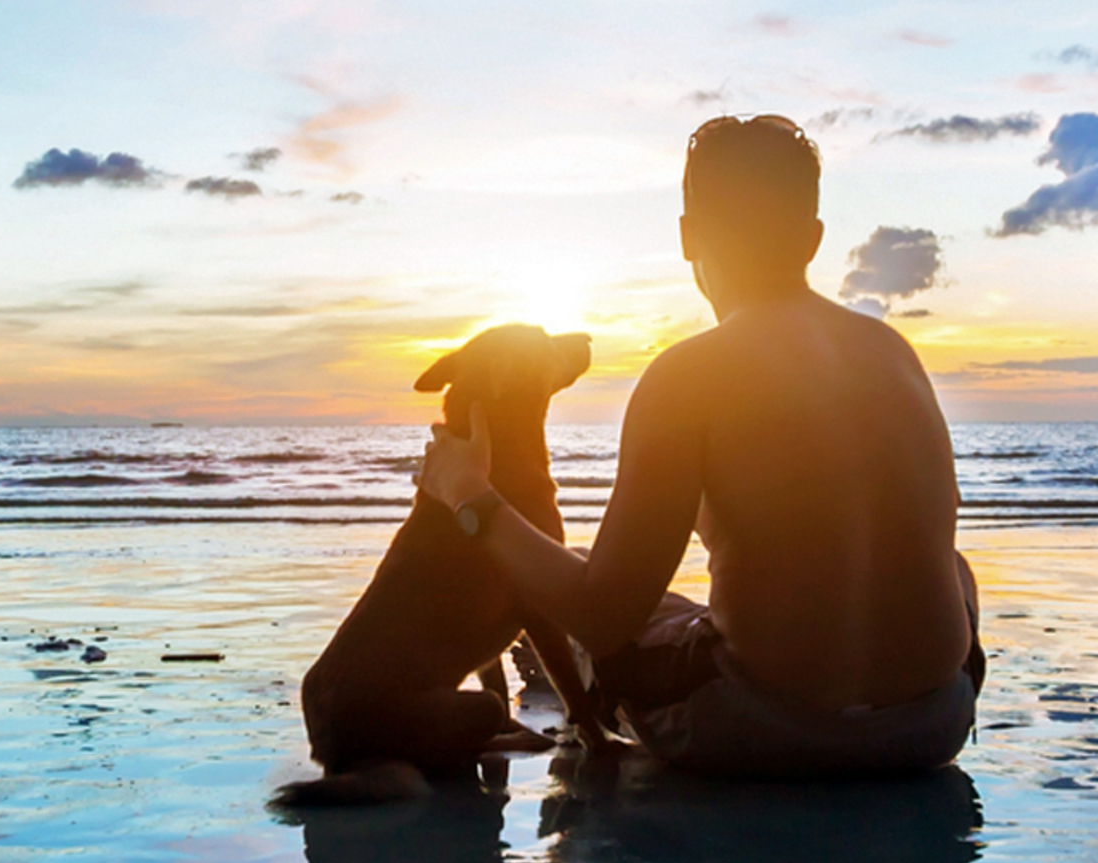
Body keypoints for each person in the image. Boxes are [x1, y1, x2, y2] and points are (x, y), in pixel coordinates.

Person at [418, 114, 983, 777]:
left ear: (689, 239)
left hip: (760, 731)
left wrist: (470, 496)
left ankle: (572, 694)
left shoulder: (686, 376)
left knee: (584, 597)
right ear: (812, 239)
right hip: (931, 724)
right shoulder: (895, 354)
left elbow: (604, 616)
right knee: (956, 567)